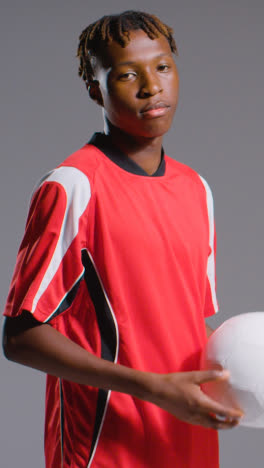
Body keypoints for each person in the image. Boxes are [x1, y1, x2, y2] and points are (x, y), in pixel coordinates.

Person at [2, 10, 242, 468]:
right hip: (106, 447)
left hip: (187, 439)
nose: (152, 86)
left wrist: (248, 365)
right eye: (128, 74)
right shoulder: (74, 186)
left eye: (163, 67)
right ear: (96, 88)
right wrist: (153, 388)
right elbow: (21, 336)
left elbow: (184, 324)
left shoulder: (197, 189)